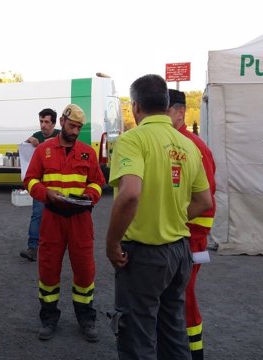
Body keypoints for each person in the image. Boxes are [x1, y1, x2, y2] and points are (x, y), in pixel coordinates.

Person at [105, 75, 213, 360]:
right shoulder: (189, 146)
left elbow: (129, 194)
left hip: (144, 256)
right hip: (179, 253)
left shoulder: (132, 140)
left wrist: (112, 243)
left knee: (137, 337)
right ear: (167, 105)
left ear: (135, 107)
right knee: (173, 332)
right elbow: (204, 201)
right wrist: (172, 214)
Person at [24, 104, 106, 342]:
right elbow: (29, 180)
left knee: (85, 271)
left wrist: (89, 197)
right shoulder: (44, 150)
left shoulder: (87, 152)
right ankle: (49, 318)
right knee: (48, 270)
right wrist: (45, 194)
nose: (75, 131)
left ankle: (86, 319)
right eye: (72, 126)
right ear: (62, 121)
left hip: (80, 220)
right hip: (52, 218)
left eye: (79, 127)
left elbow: (98, 182)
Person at [167, 90, 216, 360]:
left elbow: (206, 201)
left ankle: (194, 353)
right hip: (176, 237)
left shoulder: (193, 146)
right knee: (174, 299)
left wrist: (192, 236)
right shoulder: (172, 141)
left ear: (180, 112)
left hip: (189, 239)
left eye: (166, 112)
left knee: (184, 300)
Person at [19, 108, 60, 261]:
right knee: (37, 214)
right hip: (41, 185)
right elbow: (23, 149)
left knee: (58, 217)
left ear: (54, 123)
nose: (43, 125)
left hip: (59, 184)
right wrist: (29, 140)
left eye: (46, 122)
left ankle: (56, 247)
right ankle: (32, 248)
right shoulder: (37, 136)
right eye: (41, 121)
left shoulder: (61, 136)